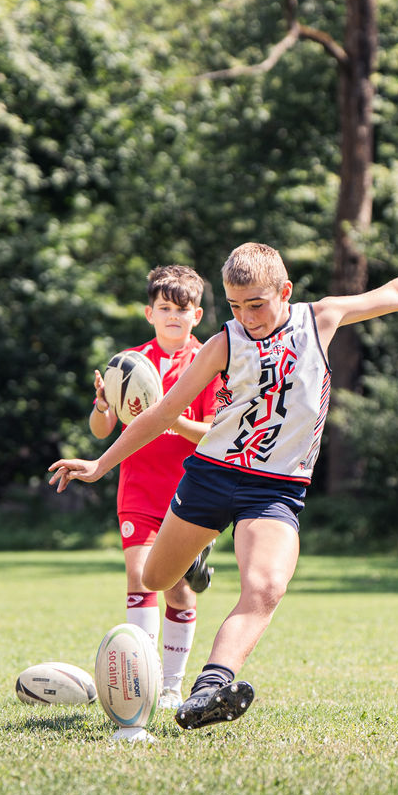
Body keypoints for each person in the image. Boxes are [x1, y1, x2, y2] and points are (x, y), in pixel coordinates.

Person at [51, 240, 398, 731]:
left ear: (285, 291)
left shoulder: (320, 318)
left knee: (266, 587)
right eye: (236, 306)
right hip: (212, 475)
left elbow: (396, 292)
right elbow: (163, 413)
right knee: (154, 580)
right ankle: (195, 556)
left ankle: (208, 691)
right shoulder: (224, 342)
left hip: (275, 489)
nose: (248, 317)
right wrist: (100, 463)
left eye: (257, 304)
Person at [89, 265, 221, 708]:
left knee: (178, 589)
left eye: (181, 310)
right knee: (140, 576)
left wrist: (168, 416)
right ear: (149, 313)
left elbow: (214, 432)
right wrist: (105, 405)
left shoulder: (208, 363)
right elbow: (102, 429)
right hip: (139, 488)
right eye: (164, 308)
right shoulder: (128, 363)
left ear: (197, 315)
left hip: (189, 489)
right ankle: (142, 679)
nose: (172, 316)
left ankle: (171, 685)